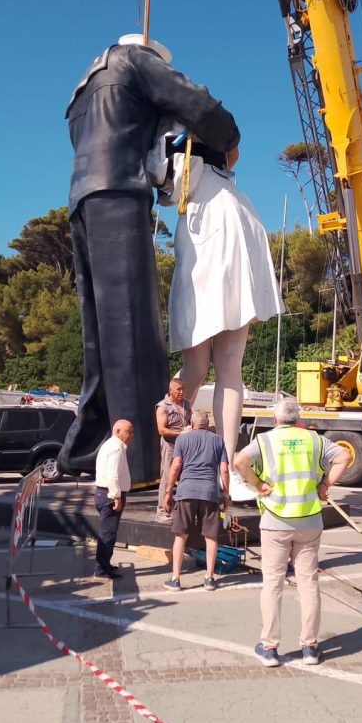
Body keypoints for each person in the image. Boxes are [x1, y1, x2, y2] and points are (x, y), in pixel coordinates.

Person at [57, 34, 240, 487]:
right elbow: (194, 102)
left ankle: (90, 448)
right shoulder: (133, 61)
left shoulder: (82, 90)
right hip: (119, 193)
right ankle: (138, 465)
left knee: (100, 337)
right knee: (133, 330)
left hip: (83, 197)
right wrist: (228, 137)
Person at [156, 127, 283, 500]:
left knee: (199, 368)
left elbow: (163, 184)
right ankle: (227, 464)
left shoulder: (186, 164)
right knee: (228, 370)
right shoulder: (235, 192)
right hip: (234, 249)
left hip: (209, 253)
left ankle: (180, 454)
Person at [234, 398, 351, 667]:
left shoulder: (265, 441)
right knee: (308, 584)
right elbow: (344, 457)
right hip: (309, 519)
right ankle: (310, 646)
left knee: (272, 584)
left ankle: (270, 647)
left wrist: (258, 484)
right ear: (297, 418)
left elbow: (240, 461)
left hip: (276, 519)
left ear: (275, 420)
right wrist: (325, 485)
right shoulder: (313, 439)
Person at [162, 410, 229, 591]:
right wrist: (226, 494)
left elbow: (176, 466)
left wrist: (168, 491)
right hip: (209, 493)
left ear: (191, 422)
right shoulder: (218, 440)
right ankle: (209, 578)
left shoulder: (183, 440)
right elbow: (223, 469)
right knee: (211, 537)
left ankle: (175, 578)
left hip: (186, 492)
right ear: (207, 424)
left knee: (180, 536)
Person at [93, 419, 134, 579]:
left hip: (105, 494)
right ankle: (101, 569)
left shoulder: (112, 445)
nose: (131, 435)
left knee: (108, 533)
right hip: (109, 495)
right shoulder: (116, 448)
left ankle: (104, 564)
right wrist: (117, 496)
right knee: (108, 534)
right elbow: (113, 475)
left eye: (132, 432)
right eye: (128, 431)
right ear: (117, 431)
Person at [155, 377, 192, 522]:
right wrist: (181, 433)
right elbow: (162, 430)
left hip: (186, 446)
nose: (182, 392)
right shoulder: (163, 406)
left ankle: (180, 510)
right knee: (167, 477)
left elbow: (192, 419)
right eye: (179, 390)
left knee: (186, 477)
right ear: (171, 391)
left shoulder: (187, 404)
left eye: (183, 389)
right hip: (170, 445)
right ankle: (162, 511)